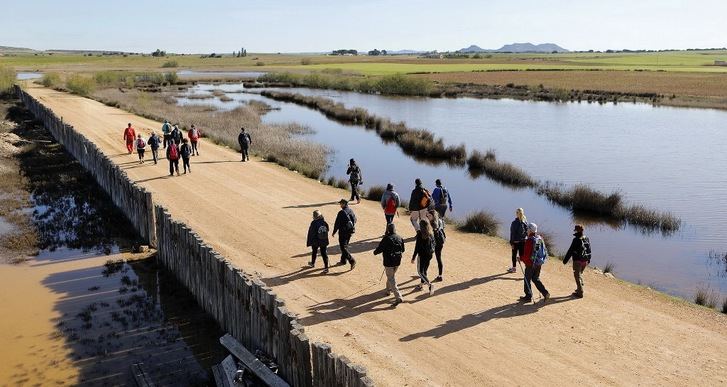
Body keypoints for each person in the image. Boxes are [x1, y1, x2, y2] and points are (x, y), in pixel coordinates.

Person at [373, 223, 405, 305]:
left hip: (389, 262)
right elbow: (403, 250)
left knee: (391, 278)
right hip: (397, 261)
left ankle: (398, 297)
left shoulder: (386, 239)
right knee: (391, 276)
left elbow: (379, 249)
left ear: (387, 230)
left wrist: (375, 252)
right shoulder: (399, 237)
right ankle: (388, 290)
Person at [519, 223, 550, 302]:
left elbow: (527, 255)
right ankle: (545, 292)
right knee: (535, 278)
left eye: (527, 229)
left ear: (530, 230)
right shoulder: (539, 238)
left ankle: (528, 296)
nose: (526, 230)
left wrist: (521, 258)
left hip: (530, 264)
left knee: (527, 279)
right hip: (538, 263)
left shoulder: (530, 240)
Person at [562, 224, 592, 298]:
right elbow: (589, 249)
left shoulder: (576, 240)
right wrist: (589, 259)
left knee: (577, 276)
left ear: (576, 231)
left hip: (577, 261)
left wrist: (565, 260)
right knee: (579, 274)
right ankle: (579, 288)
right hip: (584, 261)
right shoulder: (586, 238)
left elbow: (570, 250)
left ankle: (580, 292)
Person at [412, 219, 435, 296]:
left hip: (422, 256)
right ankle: (421, 285)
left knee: (420, 272)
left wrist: (413, 257)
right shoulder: (431, 233)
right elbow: (434, 244)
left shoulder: (420, 234)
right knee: (424, 271)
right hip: (429, 255)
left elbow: (417, 247)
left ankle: (430, 285)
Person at [332, 199, 357, 270]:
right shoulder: (350, 210)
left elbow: (337, 223)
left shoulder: (341, 212)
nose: (340, 205)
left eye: (341, 204)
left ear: (344, 204)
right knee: (345, 246)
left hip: (343, 232)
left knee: (343, 248)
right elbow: (355, 219)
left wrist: (334, 231)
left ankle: (352, 260)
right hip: (349, 232)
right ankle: (343, 260)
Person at [508, 208, 529, 273]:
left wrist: (511, 243)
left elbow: (512, 234)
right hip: (523, 242)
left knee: (514, 255)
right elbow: (527, 232)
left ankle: (514, 268)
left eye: (516, 212)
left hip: (516, 242)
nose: (515, 213)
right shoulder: (525, 222)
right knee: (522, 256)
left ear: (517, 213)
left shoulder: (514, 223)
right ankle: (528, 269)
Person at [431, 210, 446, 282]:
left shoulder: (434, 223)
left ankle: (423, 273)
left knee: (427, 257)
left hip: (436, 243)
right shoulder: (441, 220)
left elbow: (433, 233)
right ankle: (440, 275)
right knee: (438, 258)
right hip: (441, 241)